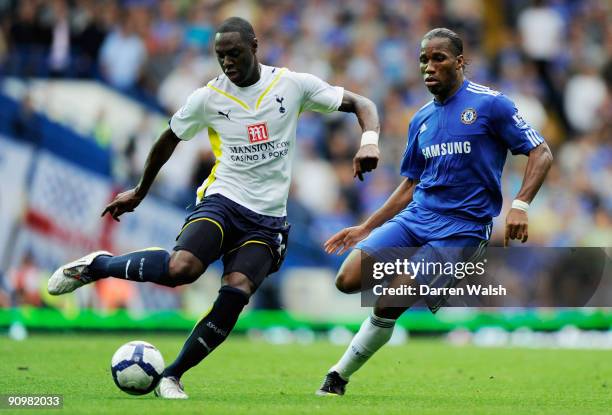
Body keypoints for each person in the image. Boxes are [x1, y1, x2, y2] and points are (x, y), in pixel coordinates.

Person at [47, 17, 381, 399]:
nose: (228, 63)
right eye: (221, 56)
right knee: (181, 269)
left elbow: (361, 103)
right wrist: (140, 190)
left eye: (235, 53)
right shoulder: (209, 97)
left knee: (236, 293)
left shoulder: (291, 84)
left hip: (269, 220)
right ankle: (96, 265)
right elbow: (168, 139)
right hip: (224, 200)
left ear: (254, 47)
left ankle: (172, 375)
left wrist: (368, 140)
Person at [316, 28, 553, 396]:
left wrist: (520, 205)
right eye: (424, 60)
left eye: (438, 58)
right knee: (347, 280)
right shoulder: (421, 119)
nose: (429, 67)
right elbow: (410, 185)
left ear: (460, 62)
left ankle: (338, 376)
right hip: (417, 219)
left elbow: (541, 152)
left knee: (393, 297)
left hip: (462, 229)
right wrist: (366, 227)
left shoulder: (492, 105)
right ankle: (422, 278)